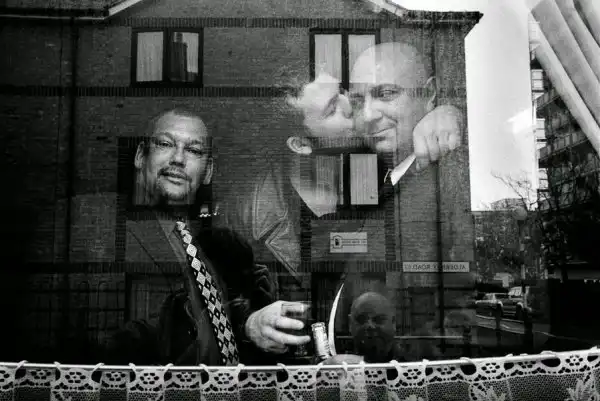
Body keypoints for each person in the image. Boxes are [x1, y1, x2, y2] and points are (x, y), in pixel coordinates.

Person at [104, 108, 310, 365]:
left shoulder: (212, 243)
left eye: (194, 150)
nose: (178, 159)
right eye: (165, 144)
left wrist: (249, 324)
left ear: (208, 170)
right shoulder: (105, 228)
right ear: (140, 156)